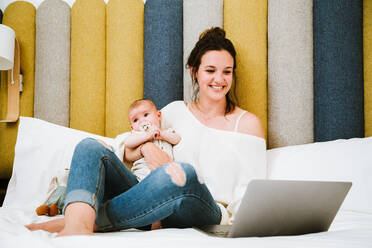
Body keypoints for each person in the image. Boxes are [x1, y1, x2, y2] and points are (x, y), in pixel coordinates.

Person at [26, 27, 266, 237]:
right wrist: (146, 147)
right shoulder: (173, 111)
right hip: (153, 201)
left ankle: (87, 221)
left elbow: (252, 192)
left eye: (227, 71)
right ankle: (77, 227)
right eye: (210, 70)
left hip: (205, 209)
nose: (219, 79)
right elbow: (125, 143)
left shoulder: (246, 123)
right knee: (89, 147)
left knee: (180, 174)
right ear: (195, 72)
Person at [122, 99, 181, 181]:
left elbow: (177, 139)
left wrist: (161, 135)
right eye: (135, 120)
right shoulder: (137, 135)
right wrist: (146, 136)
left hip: (166, 175)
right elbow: (127, 143)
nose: (142, 121)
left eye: (146, 115)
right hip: (142, 176)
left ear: (158, 115)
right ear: (132, 127)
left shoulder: (165, 132)